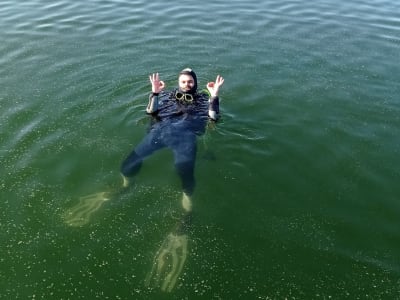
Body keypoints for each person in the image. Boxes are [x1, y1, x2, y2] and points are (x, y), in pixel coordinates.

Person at [120, 68, 224, 212]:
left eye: (190, 81)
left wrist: (214, 96)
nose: (186, 84)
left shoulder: (202, 100)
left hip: (185, 138)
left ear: (195, 83)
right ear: (178, 82)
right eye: (183, 81)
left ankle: (188, 211)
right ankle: (126, 185)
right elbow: (151, 112)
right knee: (127, 165)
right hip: (160, 133)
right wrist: (155, 93)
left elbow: (213, 118)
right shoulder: (168, 96)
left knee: (184, 174)